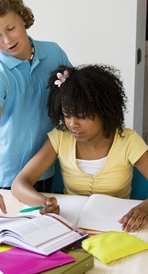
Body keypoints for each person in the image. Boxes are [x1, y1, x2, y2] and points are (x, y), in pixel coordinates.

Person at [0, 0, 71, 223]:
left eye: (11, 29)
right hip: (10, 173)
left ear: (23, 19)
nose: (6, 40)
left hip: (49, 164)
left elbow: (72, 96)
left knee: (51, 228)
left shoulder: (53, 52)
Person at [11, 64, 148, 232]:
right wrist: (42, 203)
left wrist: (145, 207)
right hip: (71, 228)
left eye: (82, 117)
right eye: (67, 115)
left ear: (104, 112)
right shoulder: (60, 137)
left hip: (117, 228)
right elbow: (19, 184)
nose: (72, 124)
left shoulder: (128, 141)